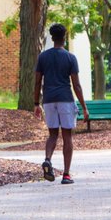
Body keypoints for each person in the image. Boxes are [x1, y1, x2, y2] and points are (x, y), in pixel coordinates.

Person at [33, 23, 90, 185]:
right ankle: (66, 174)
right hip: (65, 98)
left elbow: (37, 82)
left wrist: (36, 103)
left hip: (49, 100)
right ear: (64, 37)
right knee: (67, 137)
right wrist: (84, 107)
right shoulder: (70, 57)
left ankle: (47, 159)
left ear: (52, 37)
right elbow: (76, 85)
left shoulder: (42, 57)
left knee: (52, 134)